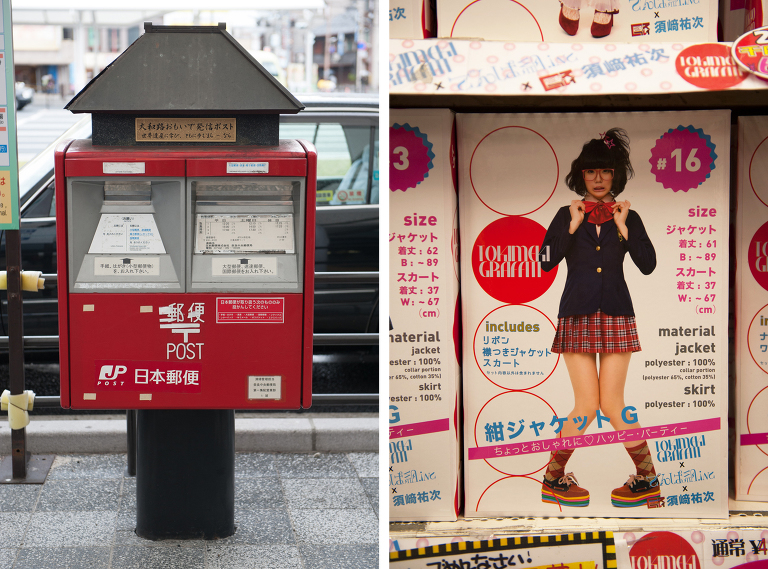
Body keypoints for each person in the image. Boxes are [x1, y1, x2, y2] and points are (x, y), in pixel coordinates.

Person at [538, 128, 659, 508]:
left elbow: (648, 265)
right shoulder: (565, 214)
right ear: (582, 175)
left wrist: (624, 229)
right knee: (587, 404)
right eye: (591, 172)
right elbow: (544, 261)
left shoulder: (629, 216)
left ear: (615, 174)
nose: (598, 179)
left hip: (617, 314)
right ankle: (553, 479)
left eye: (605, 171)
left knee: (614, 404)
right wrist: (572, 226)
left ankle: (648, 480)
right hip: (576, 313)